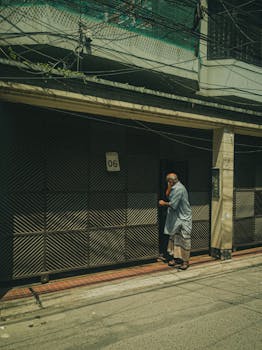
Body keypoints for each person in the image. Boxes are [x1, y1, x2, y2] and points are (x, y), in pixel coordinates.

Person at [159, 173, 192, 270]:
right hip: (176, 218)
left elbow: (173, 204)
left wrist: (163, 203)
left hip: (183, 218)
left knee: (184, 239)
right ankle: (176, 258)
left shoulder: (178, 189)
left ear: (171, 181)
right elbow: (168, 194)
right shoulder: (174, 187)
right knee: (174, 238)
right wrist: (169, 186)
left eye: (168, 182)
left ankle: (185, 261)